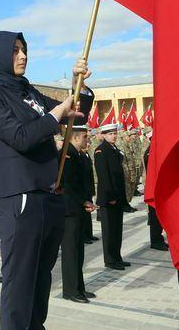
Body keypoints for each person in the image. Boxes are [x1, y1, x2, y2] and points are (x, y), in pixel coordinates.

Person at [0, 31, 92, 330]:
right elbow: (20, 137)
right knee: (20, 277)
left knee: (41, 274)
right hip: (20, 193)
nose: (23, 55)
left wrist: (80, 85)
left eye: (24, 49)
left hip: (49, 191)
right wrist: (56, 114)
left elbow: (76, 113)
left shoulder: (28, 91)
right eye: (14, 50)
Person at [60, 125, 97, 303]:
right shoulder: (67, 155)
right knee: (71, 252)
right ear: (74, 138)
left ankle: (79, 287)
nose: (87, 140)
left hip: (78, 209)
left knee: (78, 251)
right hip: (69, 211)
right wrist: (84, 201)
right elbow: (68, 185)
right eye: (84, 137)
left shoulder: (78, 155)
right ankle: (70, 290)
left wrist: (86, 201)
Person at [94, 123, 129, 270]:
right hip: (109, 198)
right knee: (109, 230)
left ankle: (117, 257)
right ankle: (110, 260)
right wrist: (110, 196)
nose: (113, 136)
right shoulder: (101, 150)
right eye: (110, 134)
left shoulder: (114, 149)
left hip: (118, 197)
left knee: (117, 229)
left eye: (114, 133)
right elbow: (104, 176)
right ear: (103, 135)